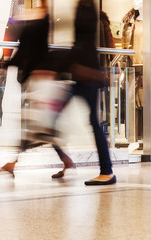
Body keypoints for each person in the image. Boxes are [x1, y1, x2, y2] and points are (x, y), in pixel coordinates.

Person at [0, 0, 75, 179]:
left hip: (41, 80)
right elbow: (25, 49)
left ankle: (14, 161)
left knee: (36, 124)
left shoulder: (43, 18)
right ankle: (64, 159)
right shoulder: (36, 17)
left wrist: (7, 65)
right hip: (34, 79)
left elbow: (30, 50)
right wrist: (5, 65)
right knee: (40, 125)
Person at [69, 0, 116, 185]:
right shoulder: (86, 8)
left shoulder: (89, 11)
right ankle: (105, 170)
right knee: (93, 121)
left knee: (94, 122)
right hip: (85, 72)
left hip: (87, 73)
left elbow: (84, 43)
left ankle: (107, 171)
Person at [0, 0, 25, 129]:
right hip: (12, 23)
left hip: (28, 24)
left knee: (24, 69)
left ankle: (26, 115)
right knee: (3, 66)